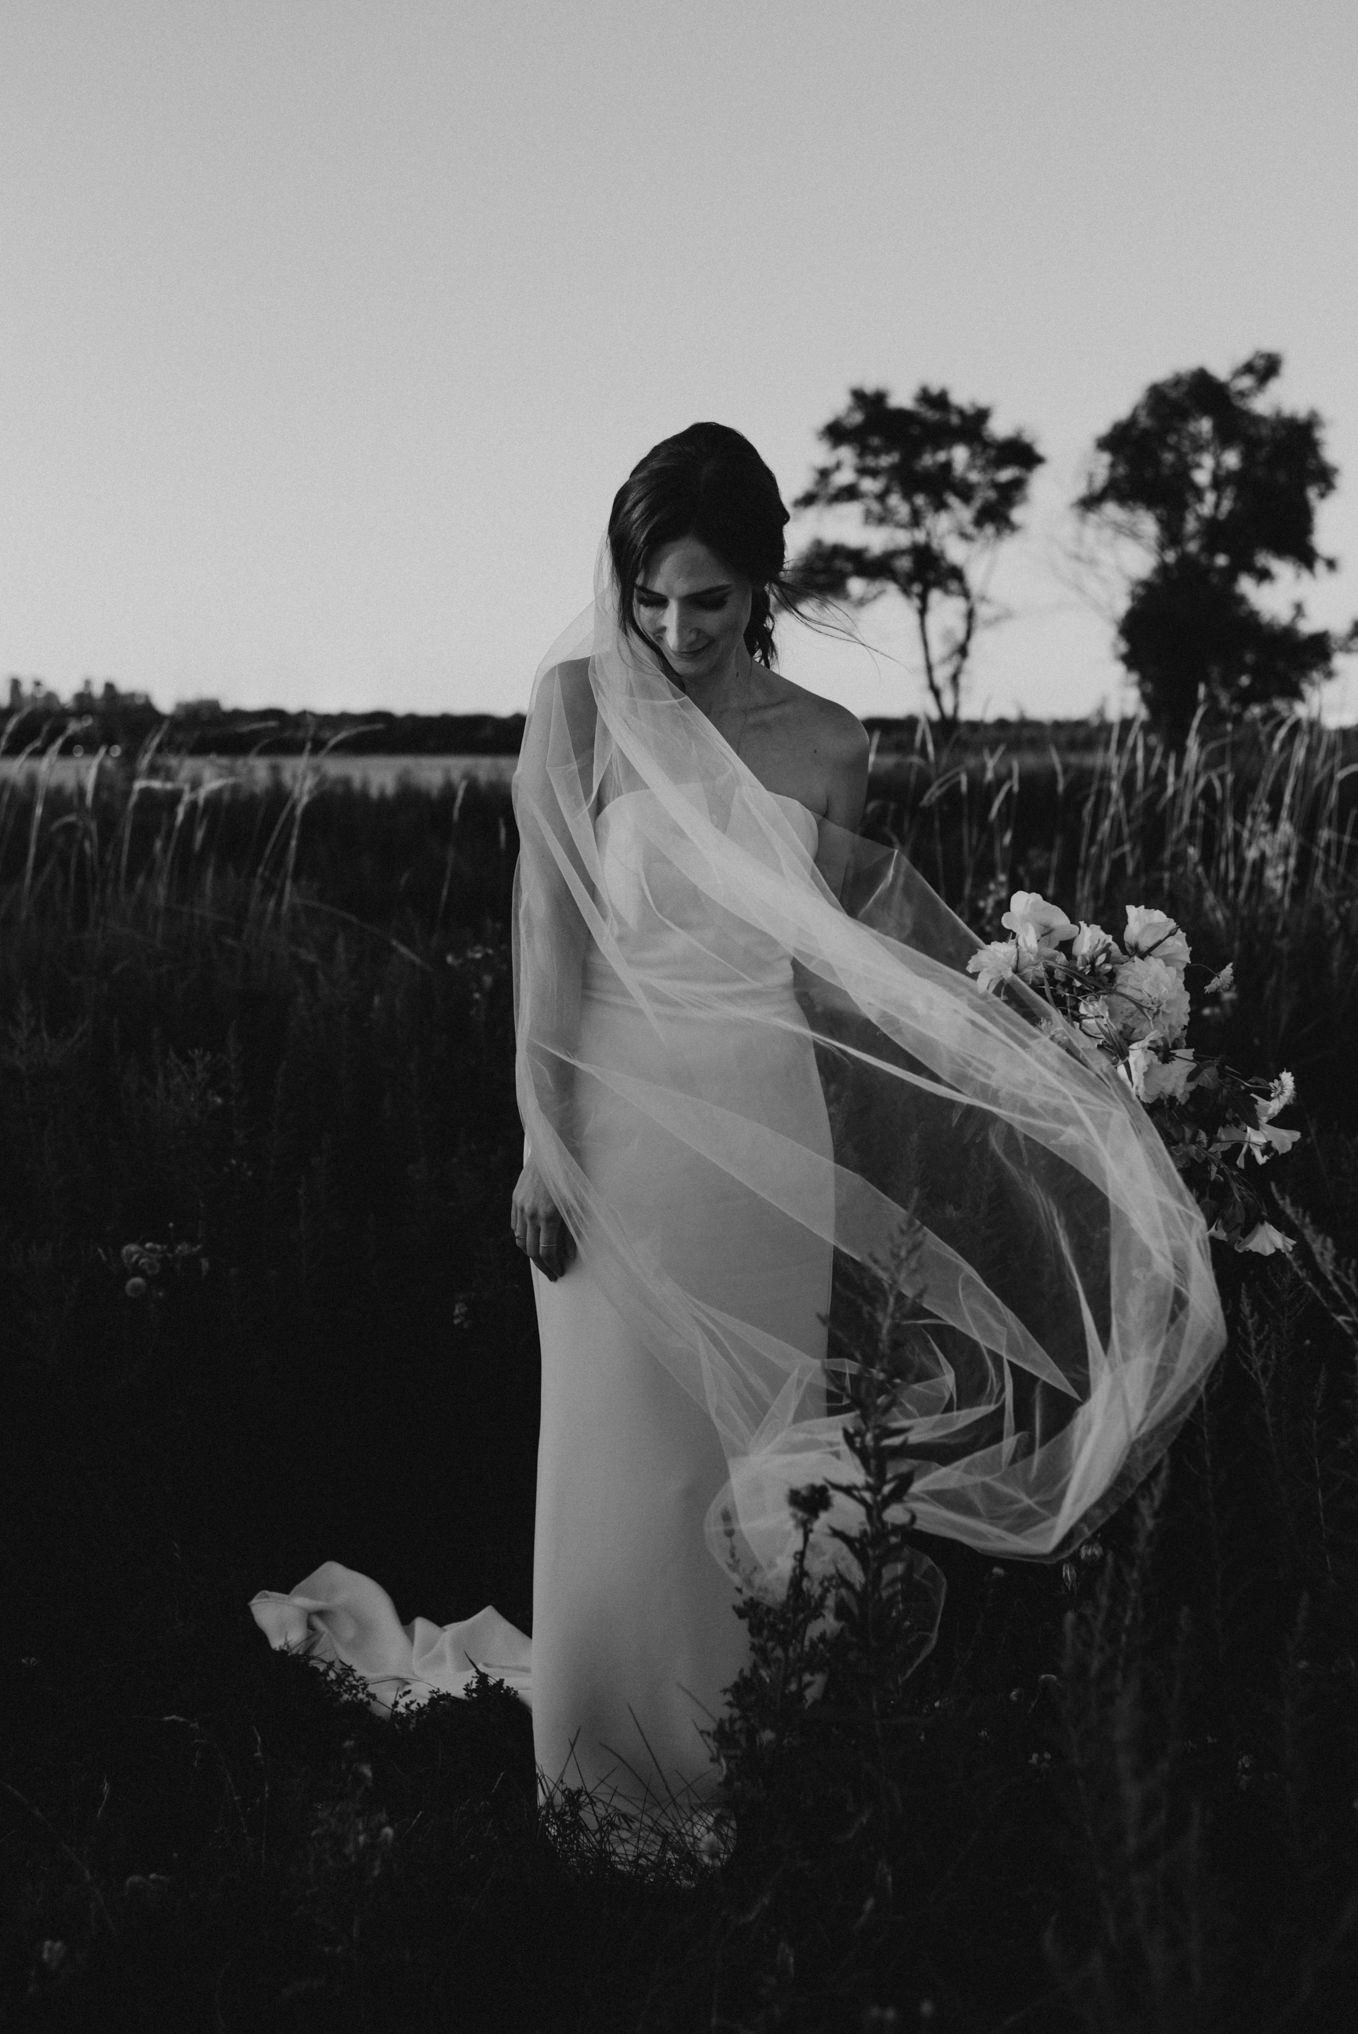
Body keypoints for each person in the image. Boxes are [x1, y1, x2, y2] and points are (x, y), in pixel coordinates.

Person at [253, 423, 1225, 1862]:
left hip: (767, 1128)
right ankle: (596, 1778)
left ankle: (740, 1756)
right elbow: (547, 944)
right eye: (650, 595)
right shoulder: (577, 707)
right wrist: (540, 1140)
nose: (673, 628)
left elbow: (834, 977)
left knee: (743, 1454)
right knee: (615, 1455)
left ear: (761, 581)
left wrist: (1018, 1046)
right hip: (613, 1131)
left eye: (705, 599)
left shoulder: (828, 745)